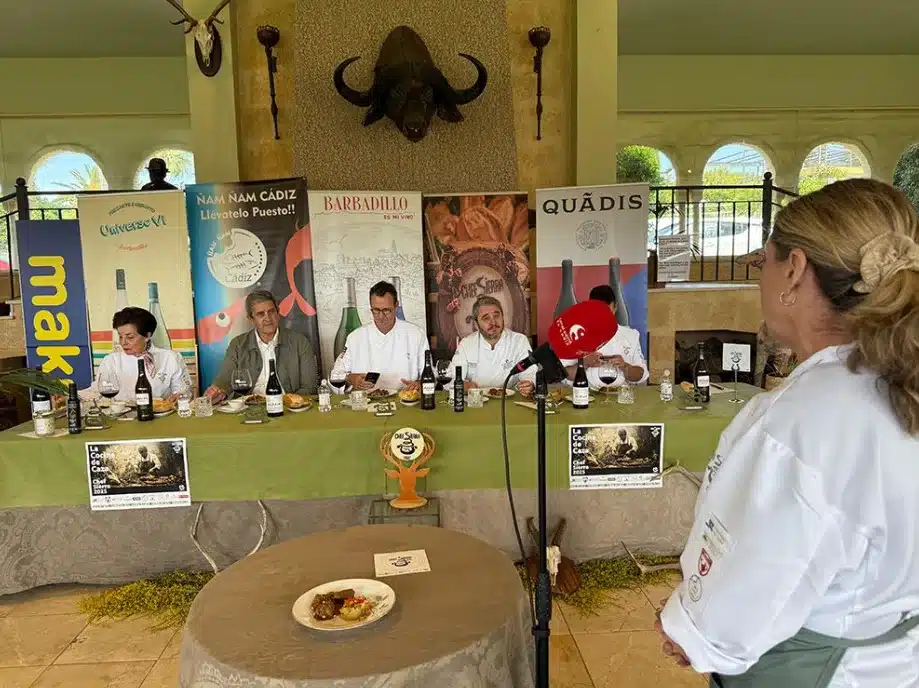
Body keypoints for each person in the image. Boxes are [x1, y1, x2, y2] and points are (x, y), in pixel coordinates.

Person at [656, 179, 919, 687]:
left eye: (763, 262)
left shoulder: (800, 423)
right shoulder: (898, 384)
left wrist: (692, 629)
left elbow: (735, 604)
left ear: (794, 269)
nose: (761, 277)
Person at [205, 290, 318, 401]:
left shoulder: (300, 342)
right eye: (260, 314)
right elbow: (224, 380)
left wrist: (286, 402)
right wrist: (217, 391)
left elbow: (309, 387)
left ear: (278, 313)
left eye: (271, 311)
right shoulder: (238, 344)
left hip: (288, 407)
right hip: (249, 407)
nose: (268, 318)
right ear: (251, 319)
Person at [337, 280, 427, 392]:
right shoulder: (355, 337)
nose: (381, 316)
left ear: (396, 306)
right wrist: (350, 378)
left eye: (386, 310)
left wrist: (419, 384)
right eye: (376, 310)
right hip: (365, 400)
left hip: (405, 398)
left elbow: (429, 375)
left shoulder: (416, 334)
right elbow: (336, 374)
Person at [84, 307, 189, 401]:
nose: (123, 342)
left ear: (147, 336)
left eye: (130, 337)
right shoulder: (111, 361)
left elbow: (183, 392)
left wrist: (179, 397)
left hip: (159, 415)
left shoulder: (170, 358)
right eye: (120, 336)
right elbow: (97, 391)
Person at [561, 284, 648, 388]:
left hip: (620, 394)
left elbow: (641, 375)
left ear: (615, 308)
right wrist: (584, 364)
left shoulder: (630, 335)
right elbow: (563, 374)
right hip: (585, 393)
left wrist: (625, 366)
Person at [449, 295, 535, 396]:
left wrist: (529, 384)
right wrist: (464, 385)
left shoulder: (519, 341)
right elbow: (453, 378)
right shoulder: (466, 344)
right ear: (476, 324)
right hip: (476, 400)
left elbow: (530, 373)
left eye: (496, 316)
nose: (493, 322)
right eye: (486, 318)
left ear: (503, 317)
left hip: (509, 400)